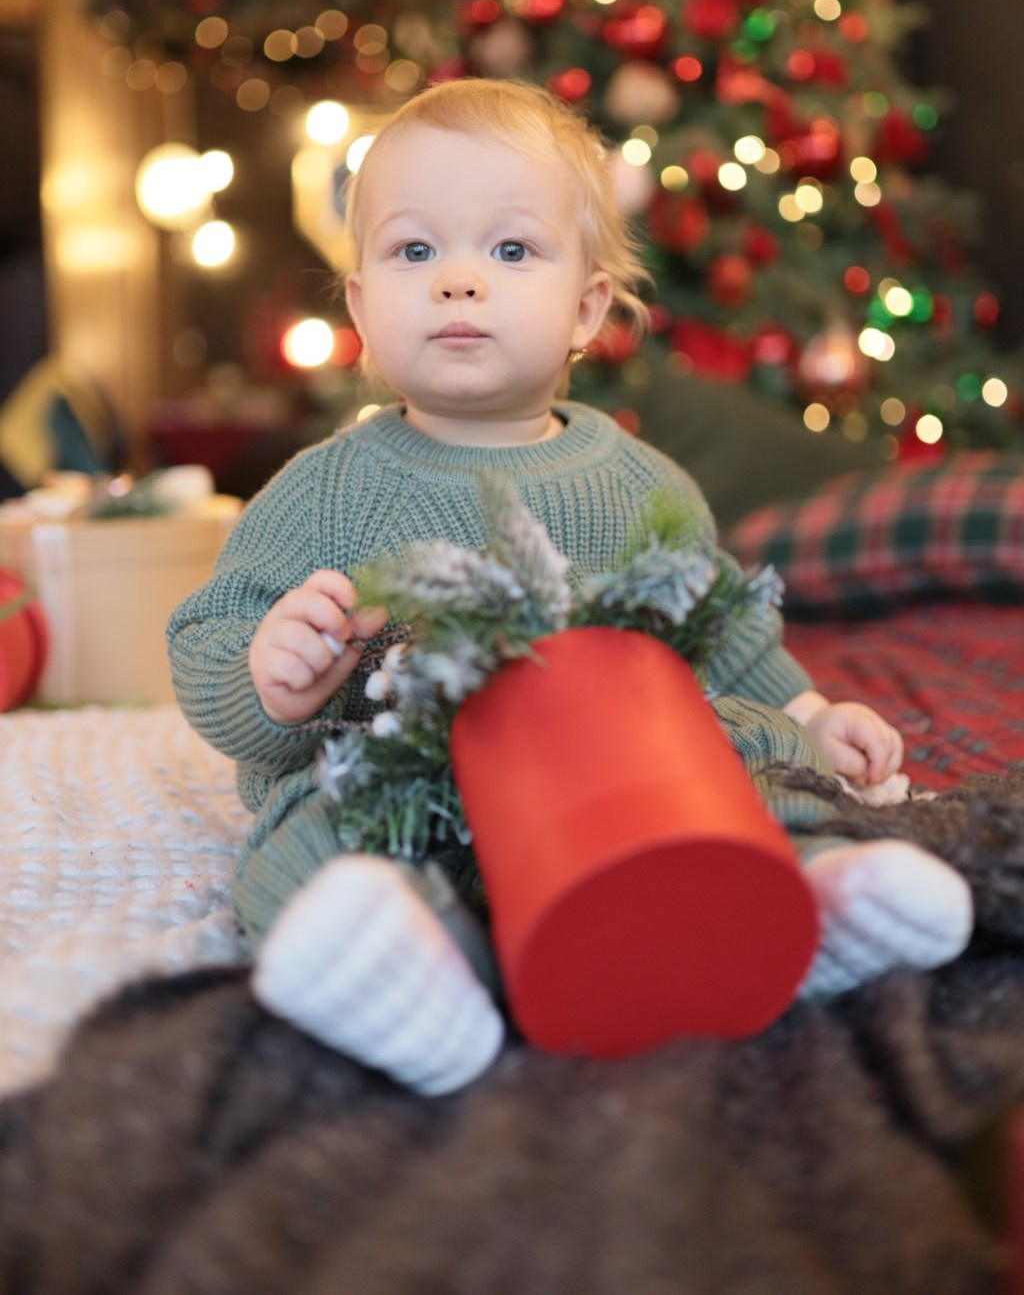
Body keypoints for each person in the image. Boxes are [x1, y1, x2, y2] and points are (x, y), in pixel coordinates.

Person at [167, 79, 973, 1096]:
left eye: (511, 251)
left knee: (742, 755)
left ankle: (814, 897)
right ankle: (411, 968)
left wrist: (810, 709)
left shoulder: (642, 483)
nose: (460, 281)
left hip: (620, 773)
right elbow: (209, 632)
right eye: (416, 252)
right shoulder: (325, 492)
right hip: (407, 779)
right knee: (305, 830)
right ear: (364, 307)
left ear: (587, 307)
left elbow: (725, 630)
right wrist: (267, 673)